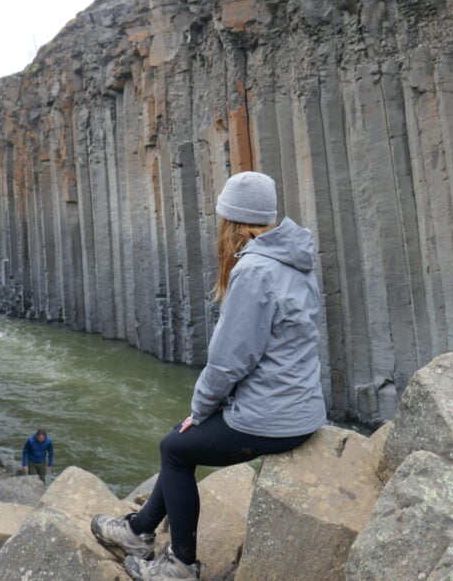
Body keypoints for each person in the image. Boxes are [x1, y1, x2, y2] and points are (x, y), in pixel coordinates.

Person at [91, 171, 327, 581]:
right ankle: (138, 531)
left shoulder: (255, 271)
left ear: (231, 222)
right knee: (179, 436)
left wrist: (200, 410)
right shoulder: (296, 259)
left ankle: (180, 564)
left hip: (274, 418)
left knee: (176, 450)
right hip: (302, 407)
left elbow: (229, 361)